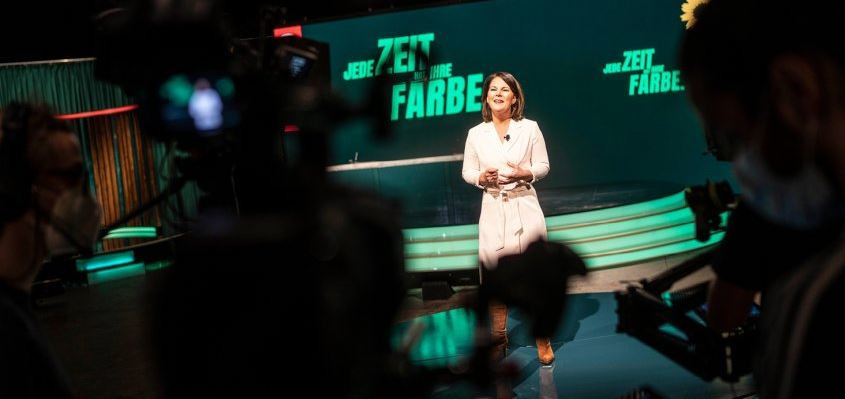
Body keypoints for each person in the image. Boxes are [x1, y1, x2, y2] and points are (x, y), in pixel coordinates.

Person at [680, 0, 845, 397]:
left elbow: (724, 313)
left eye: (738, 134)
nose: (742, 165)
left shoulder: (817, 300)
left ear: (795, 88)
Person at [0, 102, 101, 397]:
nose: (83, 192)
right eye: (71, 177)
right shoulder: (6, 330)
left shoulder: (14, 309)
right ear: (21, 187)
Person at [461, 72, 553, 365]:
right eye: (492, 89)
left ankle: (543, 337)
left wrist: (527, 173)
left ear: (515, 98)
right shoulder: (476, 133)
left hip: (524, 205)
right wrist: (481, 178)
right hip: (492, 208)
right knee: (494, 275)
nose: (497, 93)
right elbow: (467, 171)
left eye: (504, 89)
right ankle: (499, 337)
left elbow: (543, 165)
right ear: (486, 97)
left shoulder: (530, 128)